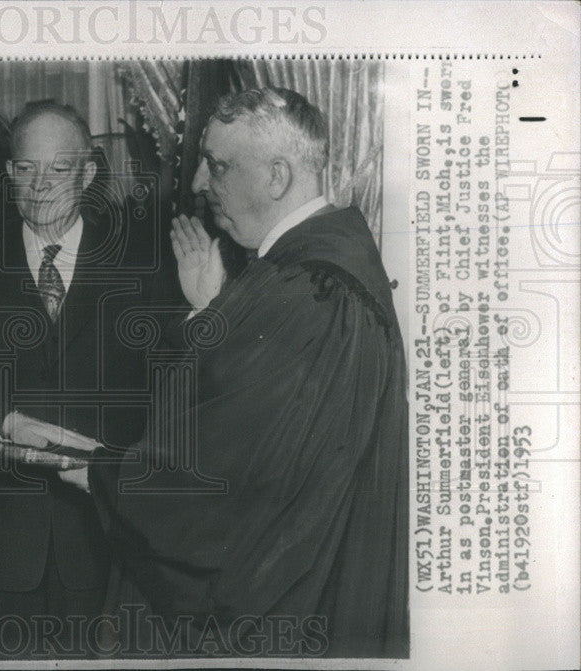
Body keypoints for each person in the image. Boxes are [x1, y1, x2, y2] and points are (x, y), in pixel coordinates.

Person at [52, 88, 409, 657]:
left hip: (276, 617)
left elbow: (228, 485)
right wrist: (211, 311)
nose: (196, 183)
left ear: (276, 176)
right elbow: (259, 422)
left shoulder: (314, 291)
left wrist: (98, 470)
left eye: (216, 166)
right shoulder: (305, 271)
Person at [0, 101, 163, 655]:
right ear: (8, 175)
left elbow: (168, 400)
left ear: (89, 172)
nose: (41, 185)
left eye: (59, 169)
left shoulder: (142, 264)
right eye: (26, 168)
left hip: (110, 540)